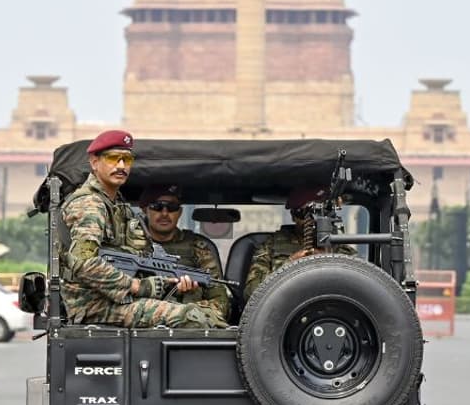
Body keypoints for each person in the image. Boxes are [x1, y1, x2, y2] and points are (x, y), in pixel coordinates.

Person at [60, 130, 220, 328]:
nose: (121, 166)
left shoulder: (118, 205)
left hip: (118, 301)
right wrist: (136, 286)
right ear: (94, 162)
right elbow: (84, 262)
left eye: (126, 160)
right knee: (192, 317)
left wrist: (170, 284)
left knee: (202, 311)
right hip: (95, 306)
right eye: (113, 158)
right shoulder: (90, 204)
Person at [139, 184, 231, 326]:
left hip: (186, 329)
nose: (164, 213)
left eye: (172, 207)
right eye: (157, 206)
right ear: (145, 210)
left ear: (180, 212)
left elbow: (221, 302)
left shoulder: (197, 247)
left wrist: (188, 304)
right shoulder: (131, 245)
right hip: (139, 325)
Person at [243, 186, 356, 302]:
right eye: (304, 213)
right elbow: (251, 294)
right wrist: (289, 266)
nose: (312, 220)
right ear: (293, 216)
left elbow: (363, 289)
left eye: (319, 213)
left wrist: (330, 263)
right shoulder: (270, 246)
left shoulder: (342, 251)